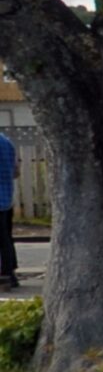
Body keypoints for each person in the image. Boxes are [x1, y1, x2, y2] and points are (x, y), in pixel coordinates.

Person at [0, 124, 19, 290]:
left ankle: (4, 276)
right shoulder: (7, 142)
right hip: (6, 198)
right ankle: (10, 274)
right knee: (6, 238)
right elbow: (16, 172)